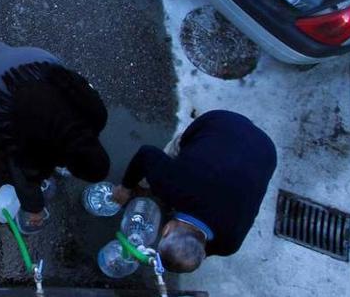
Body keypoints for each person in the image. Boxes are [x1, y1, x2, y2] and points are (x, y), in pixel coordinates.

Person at [113, 110, 277, 273]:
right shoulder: (171, 186)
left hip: (265, 150)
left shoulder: (230, 243)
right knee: (174, 152)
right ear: (166, 229)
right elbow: (146, 154)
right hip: (221, 123)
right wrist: (125, 187)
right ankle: (144, 183)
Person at [0, 42, 111, 228]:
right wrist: (35, 209)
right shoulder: (40, 147)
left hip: (35, 59)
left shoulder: (97, 115)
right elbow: (24, 174)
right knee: (6, 145)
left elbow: (77, 82)